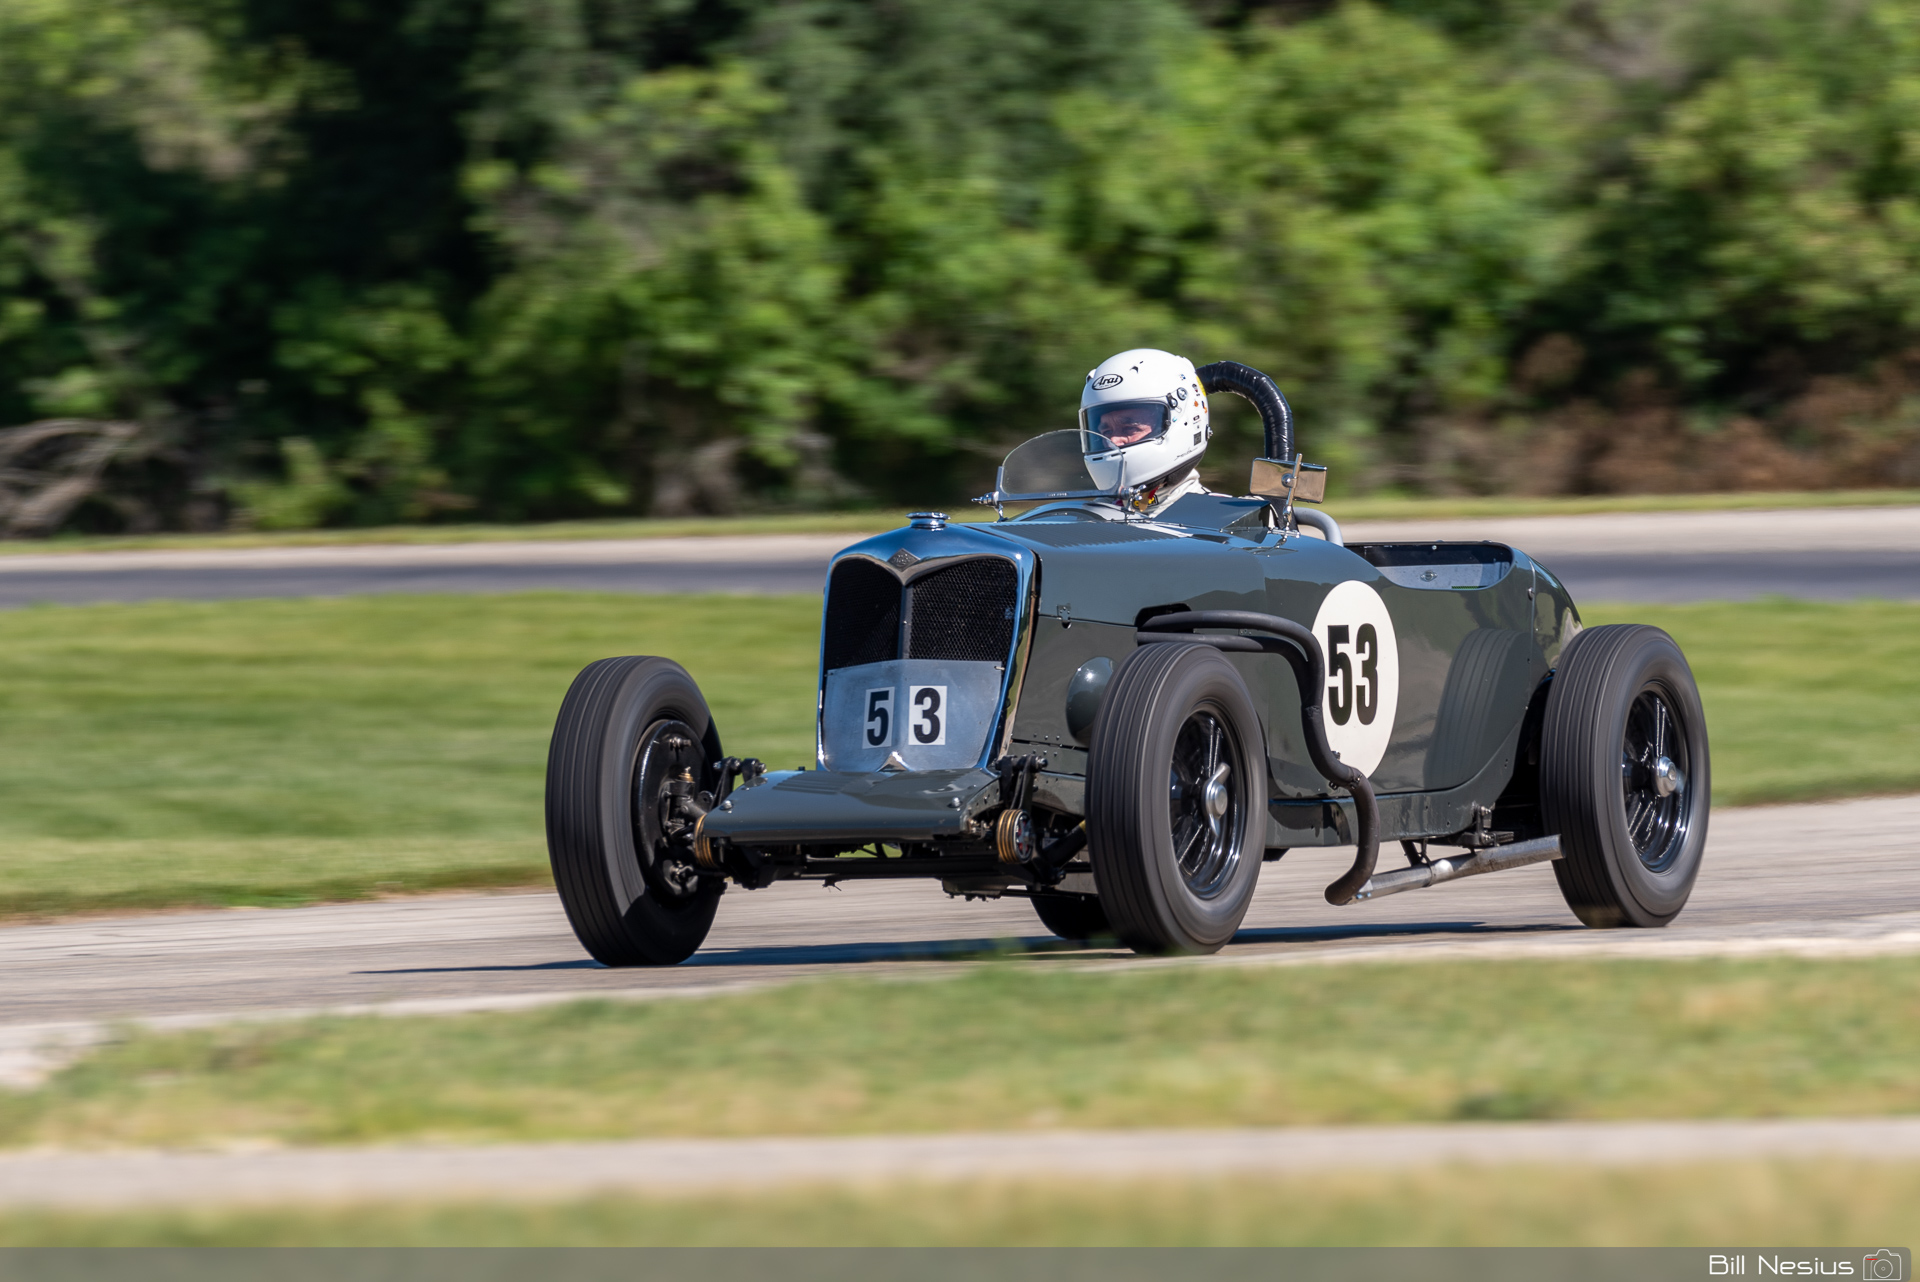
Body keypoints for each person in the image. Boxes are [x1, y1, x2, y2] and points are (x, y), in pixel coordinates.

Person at [1078, 348, 1212, 513]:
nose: (1113, 441)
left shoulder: (1219, 522)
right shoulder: (1088, 519)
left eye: (1129, 428)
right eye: (1105, 431)